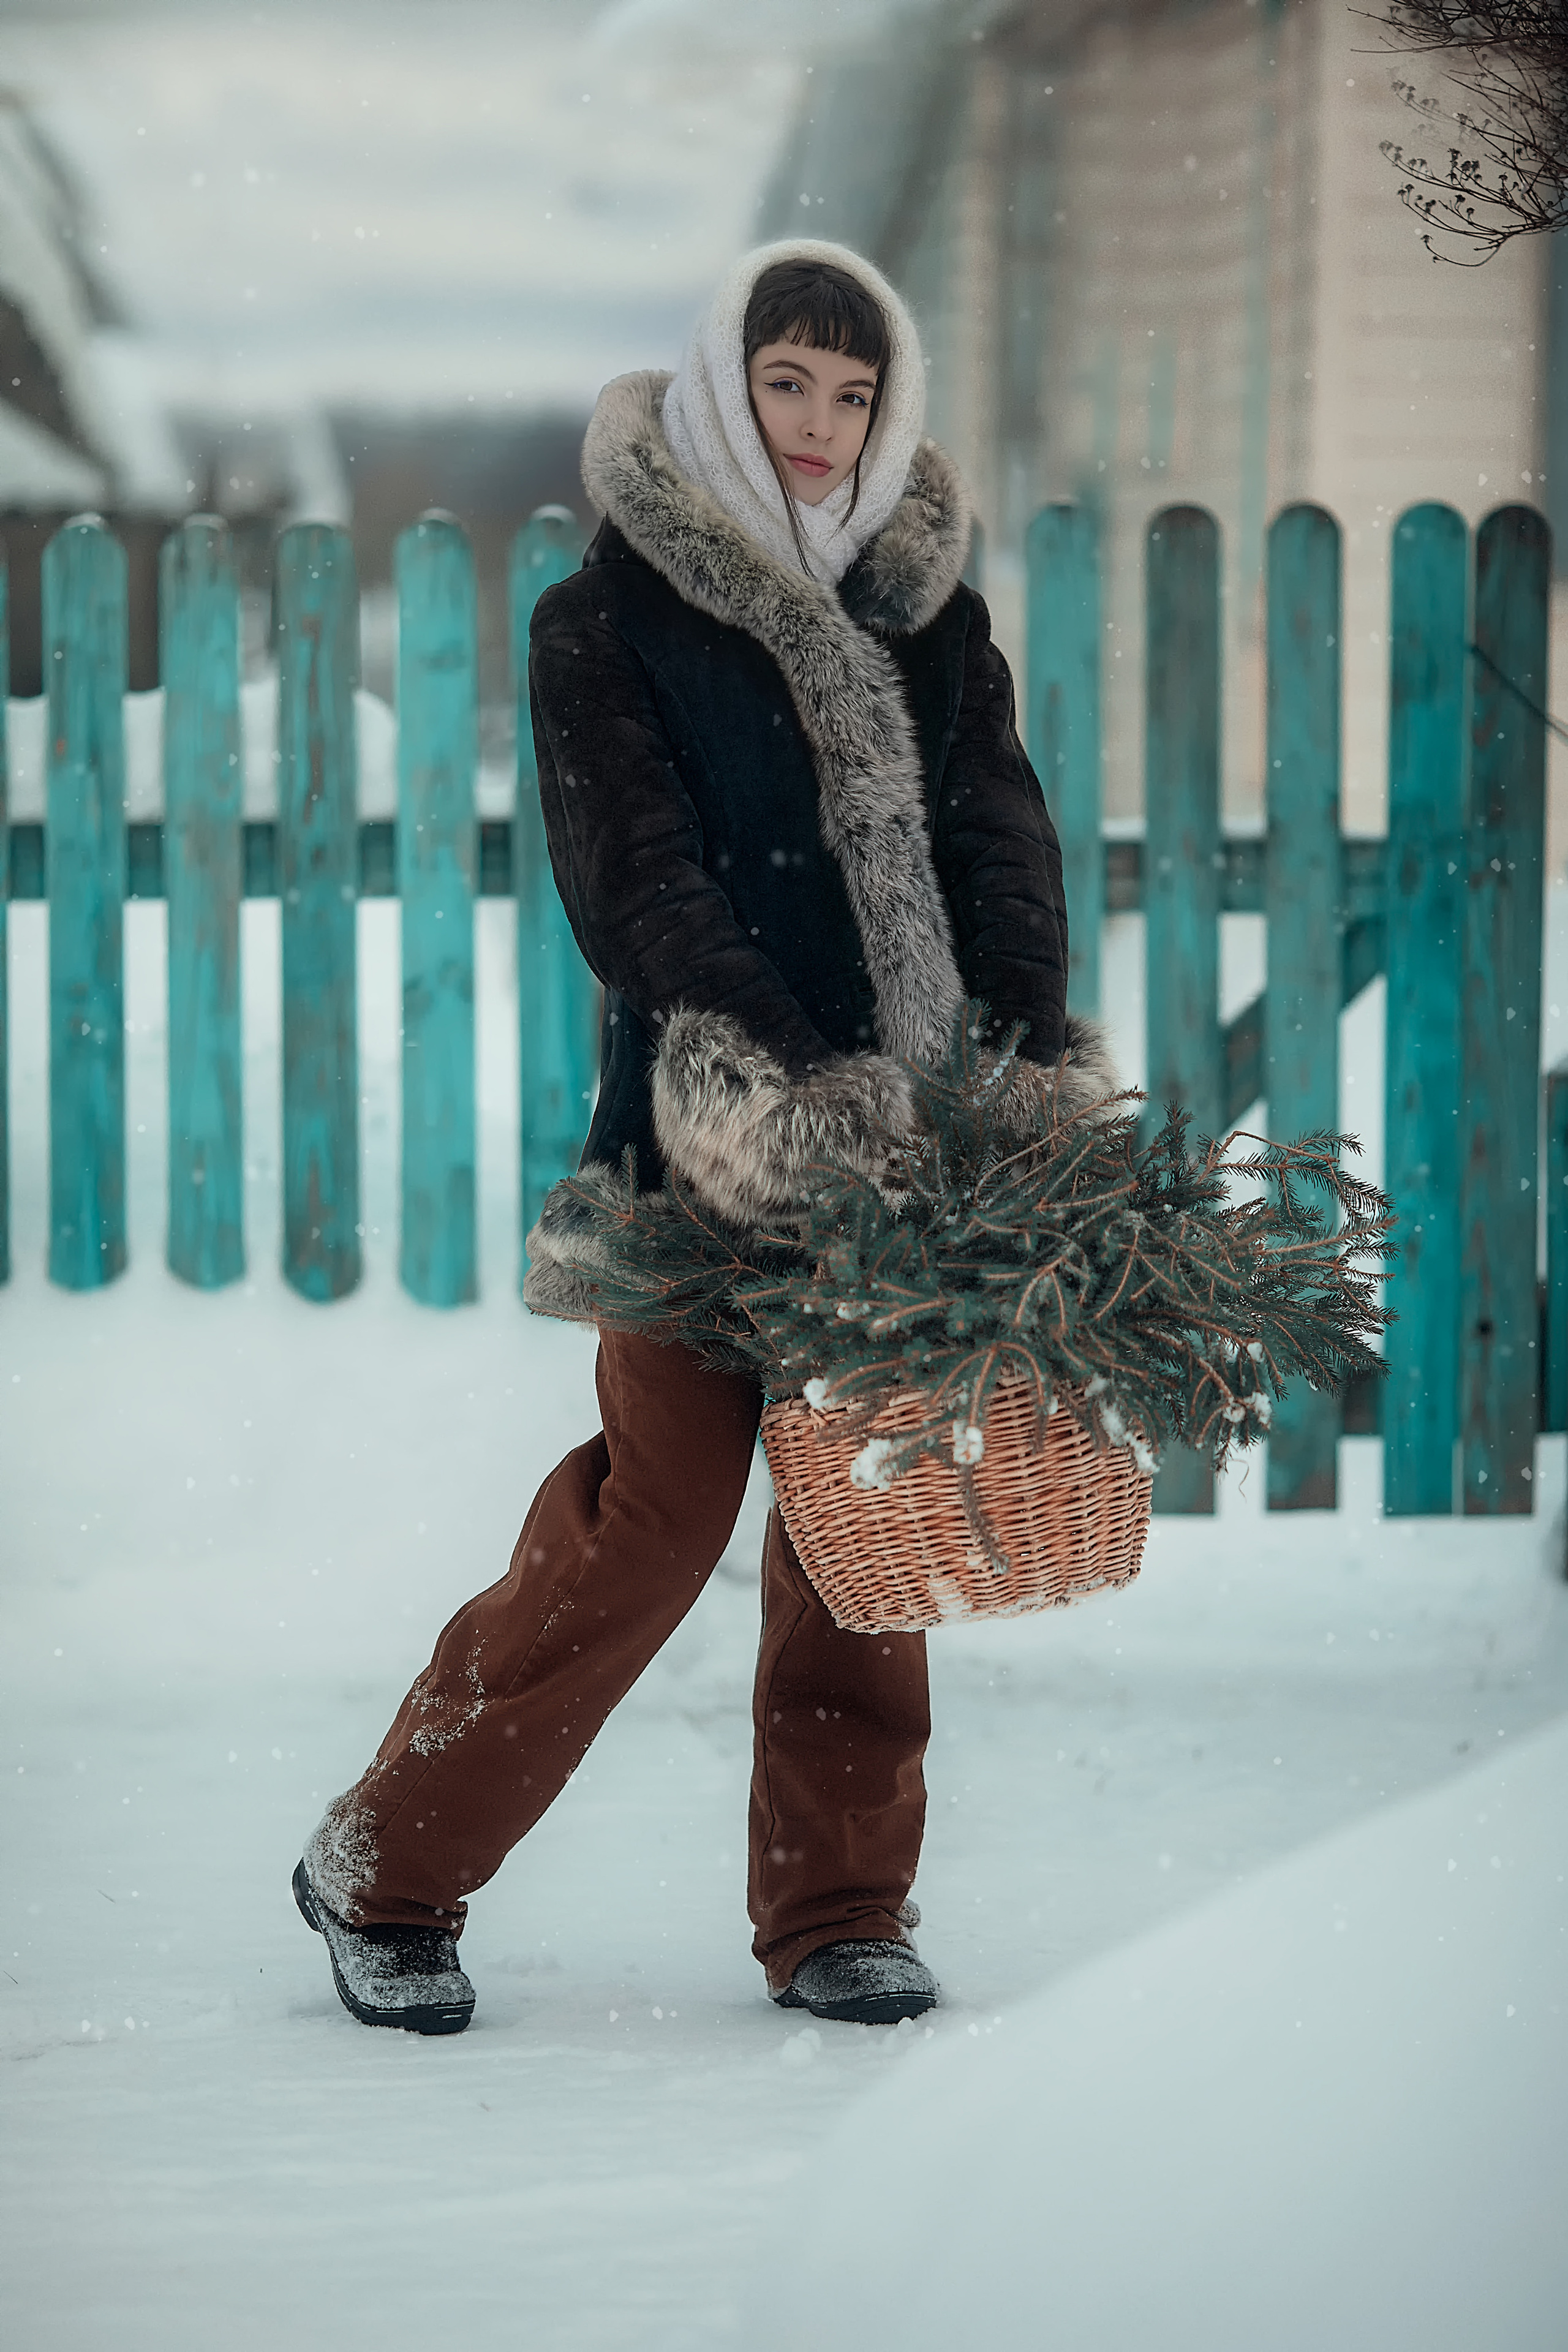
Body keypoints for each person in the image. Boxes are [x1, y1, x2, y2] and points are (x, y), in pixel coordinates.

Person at [293, 238, 1112, 2037]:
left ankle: (838, 1911)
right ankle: (387, 1865)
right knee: (651, 1528)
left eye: (855, 391)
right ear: (718, 392)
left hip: (909, 1163)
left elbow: (1003, 844)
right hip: (700, 1143)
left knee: (862, 1530)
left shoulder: (933, 615)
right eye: (786, 384)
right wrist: (811, 1074)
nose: (822, 424)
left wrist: (1022, 1053)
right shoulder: (606, 620)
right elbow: (636, 882)